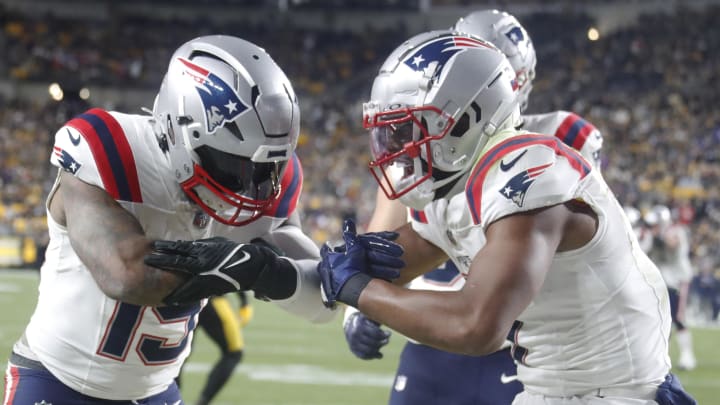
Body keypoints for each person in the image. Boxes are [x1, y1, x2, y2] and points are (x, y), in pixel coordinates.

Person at [3, 34, 401, 405]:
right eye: (234, 164)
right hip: (57, 382)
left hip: (157, 392)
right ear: (179, 131)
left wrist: (345, 282)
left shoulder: (263, 177)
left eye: (265, 169)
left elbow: (319, 305)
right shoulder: (108, 149)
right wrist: (250, 268)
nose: (250, 187)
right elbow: (127, 275)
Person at [319, 29, 696, 404]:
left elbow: (474, 325)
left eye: (406, 129)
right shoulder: (457, 183)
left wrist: (357, 289)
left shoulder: (530, 174)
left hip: (613, 395)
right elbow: (391, 261)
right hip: (548, 391)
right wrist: (285, 268)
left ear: (464, 120)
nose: (396, 148)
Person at [343, 10, 603, 405]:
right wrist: (357, 309)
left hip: (521, 347)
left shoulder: (560, 141)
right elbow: (384, 233)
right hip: (430, 338)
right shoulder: (418, 148)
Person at [644, 204, 698, 371]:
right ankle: (659, 355)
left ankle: (687, 356)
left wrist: (657, 235)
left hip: (678, 279)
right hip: (662, 280)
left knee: (678, 317)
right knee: (659, 319)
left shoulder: (676, 230)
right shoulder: (652, 235)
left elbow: (672, 245)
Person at [177, 292, 253, 405]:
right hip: (212, 299)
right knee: (234, 352)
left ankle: (172, 400)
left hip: (183, 302)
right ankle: (202, 401)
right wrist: (244, 302)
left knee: (177, 358)